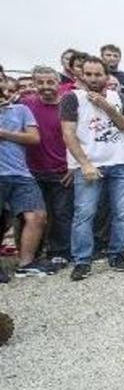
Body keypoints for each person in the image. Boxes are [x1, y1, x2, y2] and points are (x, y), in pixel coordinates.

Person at [61, 57, 124, 281]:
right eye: (89, 74)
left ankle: (117, 255)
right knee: (84, 214)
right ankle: (82, 261)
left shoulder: (117, 96)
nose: (94, 79)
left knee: (122, 213)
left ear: (106, 75)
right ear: (80, 75)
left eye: (98, 74)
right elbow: (68, 134)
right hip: (90, 164)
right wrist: (84, 163)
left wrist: (107, 107)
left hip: (121, 162)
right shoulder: (72, 98)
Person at [0, 80, 54, 278]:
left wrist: (4, 133)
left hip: (20, 173)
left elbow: (33, 138)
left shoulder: (20, 110)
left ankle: (26, 263)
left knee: (37, 216)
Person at [23, 67, 71, 267]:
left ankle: (59, 253)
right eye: (40, 83)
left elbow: (78, 138)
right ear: (34, 84)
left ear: (58, 84)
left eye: (50, 82)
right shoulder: (25, 105)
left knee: (61, 214)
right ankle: (31, 255)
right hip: (32, 171)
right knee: (34, 216)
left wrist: (74, 167)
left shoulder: (68, 106)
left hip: (62, 170)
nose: (45, 87)